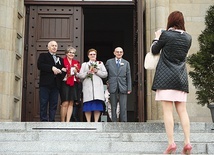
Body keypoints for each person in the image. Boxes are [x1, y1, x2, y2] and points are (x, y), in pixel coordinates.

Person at [151, 11, 192, 154]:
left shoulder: (166, 35)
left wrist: (156, 38)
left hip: (165, 78)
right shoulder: (188, 37)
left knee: (167, 111)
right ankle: (187, 142)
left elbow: (154, 50)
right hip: (180, 78)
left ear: (170, 21)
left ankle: (171, 143)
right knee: (182, 111)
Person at [77, 48, 108, 122]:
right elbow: (80, 75)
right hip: (88, 87)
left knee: (97, 106)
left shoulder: (100, 64)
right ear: (88, 56)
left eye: (94, 54)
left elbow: (105, 74)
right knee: (88, 105)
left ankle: (96, 122)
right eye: (91, 54)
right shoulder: (84, 64)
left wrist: (96, 71)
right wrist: (87, 73)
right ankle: (88, 122)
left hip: (97, 87)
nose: (92, 55)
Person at [37, 40, 63, 122]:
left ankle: (52, 120)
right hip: (45, 84)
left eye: (55, 46)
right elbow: (40, 65)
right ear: (48, 47)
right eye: (52, 45)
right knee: (44, 102)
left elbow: (63, 69)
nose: (54, 47)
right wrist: (51, 68)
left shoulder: (60, 59)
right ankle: (44, 119)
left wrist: (61, 71)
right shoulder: (43, 56)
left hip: (55, 85)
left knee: (54, 103)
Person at [105, 47, 132, 122]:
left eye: (120, 52)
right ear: (114, 53)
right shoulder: (109, 62)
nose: (119, 53)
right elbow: (105, 74)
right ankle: (114, 122)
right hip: (112, 86)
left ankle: (124, 122)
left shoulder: (126, 63)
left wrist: (129, 88)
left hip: (123, 86)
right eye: (117, 52)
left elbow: (128, 76)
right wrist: (107, 83)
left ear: (123, 53)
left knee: (123, 106)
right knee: (113, 106)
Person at [60, 47, 81, 122]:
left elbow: (79, 74)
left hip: (74, 83)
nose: (71, 54)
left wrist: (76, 72)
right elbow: (59, 71)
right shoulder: (62, 61)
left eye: (73, 53)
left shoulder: (76, 62)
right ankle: (63, 121)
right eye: (70, 52)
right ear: (66, 53)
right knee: (65, 102)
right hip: (65, 83)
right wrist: (63, 70)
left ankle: (68, 122)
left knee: (71, 103)